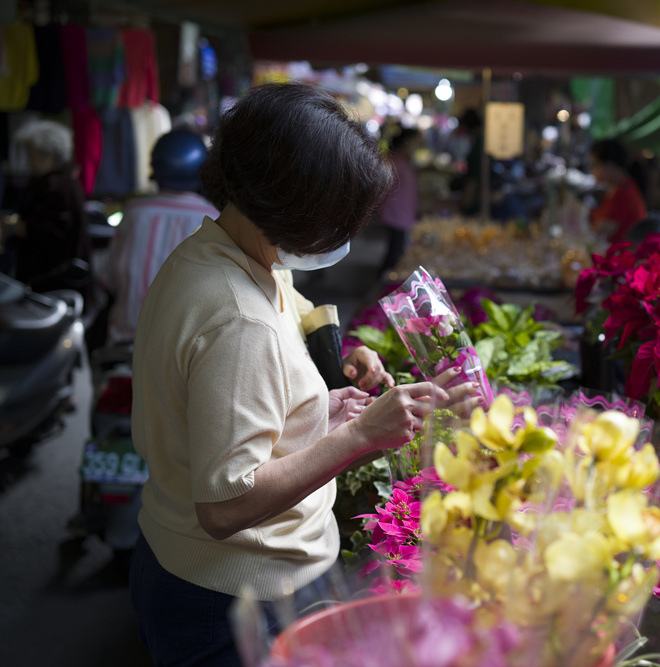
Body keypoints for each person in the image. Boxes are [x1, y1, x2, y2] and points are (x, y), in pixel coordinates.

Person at [128, 83, 479, 667]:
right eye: (338, 218)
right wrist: (362, 436)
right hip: (232, 596)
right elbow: (226, 505)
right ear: (294, 205)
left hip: (182, 564)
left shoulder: (217, 251)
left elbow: (284, 306)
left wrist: (336, 358)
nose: (343, 235)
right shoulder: (240, 320)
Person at [102, 129, 220, 343]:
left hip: (127, 339)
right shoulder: (213, 218)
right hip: (184, 348)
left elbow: (110, 277)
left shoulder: (134, 211)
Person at [6, 120, 90, 288]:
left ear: (48, 154)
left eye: (31, 154)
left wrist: (15, 228)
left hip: (52, 278)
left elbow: (47, 232)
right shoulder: (58, 180)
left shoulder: (56, 185)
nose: (29, 161)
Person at [589, 138, 647, 244]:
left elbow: (600, 232)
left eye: (595, 165)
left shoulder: (623, 192)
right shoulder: (622, 187)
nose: (593, 171)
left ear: (609, 166)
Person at [378, 127, 420, 273]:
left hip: (401, 214)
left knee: (396, 251)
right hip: (396, 214)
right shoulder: (396, 161)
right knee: (394, 253)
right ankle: (382, 285)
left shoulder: (403, 160)